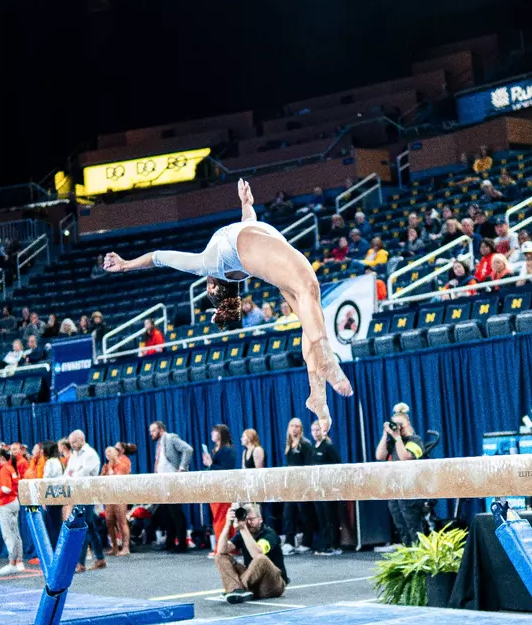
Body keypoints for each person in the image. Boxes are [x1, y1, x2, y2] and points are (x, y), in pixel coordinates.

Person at [104, 177, 352, 433]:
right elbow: (159, 258)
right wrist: (126, 264)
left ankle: (317, 395)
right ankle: (326, 360)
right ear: (218, 286)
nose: (209, 286)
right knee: (308, 288)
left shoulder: (219, 263)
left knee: (307, 310)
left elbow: (246, 221)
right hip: (253, 240)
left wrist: (246, 203)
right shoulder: (207, 263)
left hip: (254, 236)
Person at [375, 403, 426, 548]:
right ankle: (408, 556)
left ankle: (419, 556)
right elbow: (379, 455)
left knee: (413, 526)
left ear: (407, 424)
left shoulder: (415, 440)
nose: (397, 428)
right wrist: (386, 434)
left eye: (400, 425)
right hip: (395, 490)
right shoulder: (393, 442)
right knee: (401, 526)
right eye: (394, 425)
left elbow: (405, 457)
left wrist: (397, 437)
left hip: (411, 491)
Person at [215, 503, 287, 604]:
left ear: (260, 519)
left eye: (252, 519)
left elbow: (257, 554)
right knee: (220, 556)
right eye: (245, 519)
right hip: (253, 583)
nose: (248, 523)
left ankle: (237, 589)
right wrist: (227, 524)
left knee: (261, 559)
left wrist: (243, 528)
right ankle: (237, 590)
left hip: (273, 584)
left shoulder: (270, 534)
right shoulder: (242, 534)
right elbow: (221, 550)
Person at [64, 430, 107, 573]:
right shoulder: (74, 455)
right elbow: (67, 473)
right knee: (91, 527)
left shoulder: (90, 454)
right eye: (70, 443)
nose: (72, 445)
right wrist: (73, 473)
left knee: (83, 527)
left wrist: (74, 473)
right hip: (78, 493)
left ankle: (80, 563)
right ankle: (100, 559)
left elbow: (81, 474)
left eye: (74, 442)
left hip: (88, 493)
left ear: (82, 439)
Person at [149, 421, 193, 553]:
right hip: (164, 484)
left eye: (153, 431)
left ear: (161, 429)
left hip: (173, 483)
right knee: (167, 515)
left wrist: (182, 468)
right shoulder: (160, 443)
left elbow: (188, 449)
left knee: (176, 513)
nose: (151, 434)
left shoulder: (170, 438)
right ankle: (170, 542)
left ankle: (181, 544)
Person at [0, 445, 24, 576]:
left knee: (9, 534)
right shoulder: (11, 468)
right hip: (13, 502)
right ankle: (18, 561)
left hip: (6, 504)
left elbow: (6, 489)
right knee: (15, 533)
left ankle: (12, 564)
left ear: (2, 458)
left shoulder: (4, 469)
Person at [282, 417, 315, 555]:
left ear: (301, 429)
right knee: (288, 514)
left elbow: (309, 467)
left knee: (305, 513)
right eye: (292, 426)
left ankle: (307, 542)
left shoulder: (305, 444)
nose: (294, 428)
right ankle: (289, 542)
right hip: (291, 485)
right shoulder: (289, 444)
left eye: (297, 426)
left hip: (303, 485)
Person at [310, 420, 342, 556]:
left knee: (330, 517)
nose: (315, 433)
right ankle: (325, 544)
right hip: (317, 488)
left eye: (318, 430)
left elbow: (338, 464)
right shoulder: (314, 447)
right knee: (321, 517)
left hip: (328, 488)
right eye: (313, 430)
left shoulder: (328, 446)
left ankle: (334, 545)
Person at [203, 423, 237, 552]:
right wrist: (209, 464)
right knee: (218, 517)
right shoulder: (215, 450)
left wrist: (211, 463)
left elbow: (227, 469)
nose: (212, 434)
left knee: (223, 518)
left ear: (221, 434)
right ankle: (224, 546)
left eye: (214, 431)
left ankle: (223, 548)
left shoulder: (227, 450)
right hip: (215, 487)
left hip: (224, 488)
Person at [102, 444, 134, 556]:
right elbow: (102, 479)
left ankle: (126, 548)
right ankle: (114, 547)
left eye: (110, 452)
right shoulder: (107, 465)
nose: (108, 455)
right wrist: (105, 471)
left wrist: (110, 468)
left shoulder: (124, 462)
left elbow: (117, 478)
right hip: (110, 495)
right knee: (109, 521)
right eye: (106, 453)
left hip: (120, 495)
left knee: (122, 521)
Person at [42, 440, 64, 549]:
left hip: (52, 496)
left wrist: (44, 499)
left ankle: (55, 550)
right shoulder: (57, 461)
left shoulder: (51, 462)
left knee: (53, 526)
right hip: (57, 496)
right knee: (56, 524)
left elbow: (46, 481)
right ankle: (57, 549)